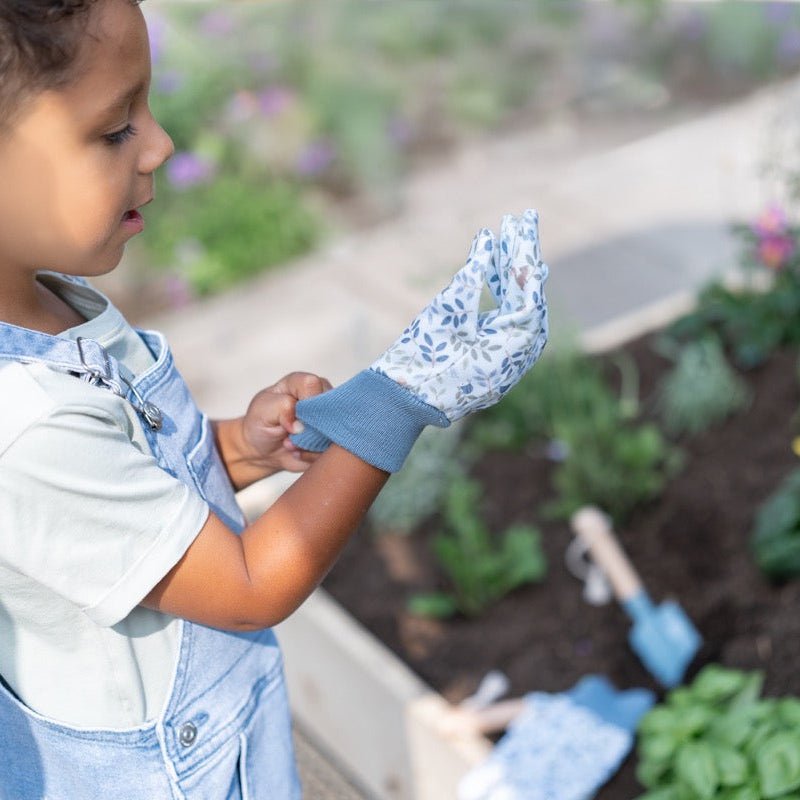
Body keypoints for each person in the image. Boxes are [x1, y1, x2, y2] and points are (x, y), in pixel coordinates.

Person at [0, 1, 549, 798]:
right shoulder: (26, 423)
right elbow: (249, 586)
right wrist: (396, 402)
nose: (160, 144)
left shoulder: (47, 303)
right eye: (116, 130)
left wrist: (240, 448)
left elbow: (128, 488)